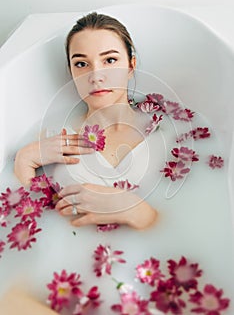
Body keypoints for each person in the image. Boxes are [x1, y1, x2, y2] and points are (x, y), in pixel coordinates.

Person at [14, 12, 159, 231]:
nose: (96, 75)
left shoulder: (167, 133)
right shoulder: (51, 136)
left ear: (130, 66)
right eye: (82, 64)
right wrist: (23, 161)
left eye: (110, 60)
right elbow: (30, 220)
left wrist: (137, 210)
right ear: (71, 72)